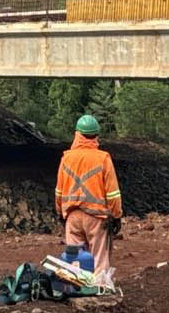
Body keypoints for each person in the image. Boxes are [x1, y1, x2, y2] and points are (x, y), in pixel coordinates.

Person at [54, 114, 123, 289]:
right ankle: (100, 291)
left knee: (75, 260)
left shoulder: (66, 158)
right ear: (96, 135)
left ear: (77, 134)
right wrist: (116, 216)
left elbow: (59, 191)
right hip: (97, 218)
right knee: (99, 259)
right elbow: (113, 193)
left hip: (72, 216)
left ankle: (77, 290)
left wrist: (60, 212)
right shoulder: (103, 158)